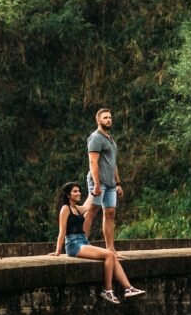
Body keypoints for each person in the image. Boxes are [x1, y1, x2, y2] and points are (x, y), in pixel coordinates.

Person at [50, 182, 145, 304]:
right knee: (109, 254)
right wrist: (58, 251)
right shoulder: (65, 209)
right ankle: (108, 290)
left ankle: (128, 288)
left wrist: (95, 188)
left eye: (79, 191)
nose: (78, 193)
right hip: (74, 245)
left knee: (112, 256)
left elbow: (88, 205)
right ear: (68, 195)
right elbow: (62, 231)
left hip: (83, 241)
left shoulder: (77, 208)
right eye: (75, 191)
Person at [83, 108, 123, 256]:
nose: (109, 120)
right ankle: (81, 243)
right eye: (105, 117)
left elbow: (113, 163)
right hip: (99, 181)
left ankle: (110, 248)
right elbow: (93, 162)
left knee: (110, 213)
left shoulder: (110, 139)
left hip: (111, 183)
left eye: (110, 117)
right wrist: (97, 184)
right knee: (92, 210)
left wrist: (118, 183)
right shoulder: (96, 138)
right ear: (98, 120)